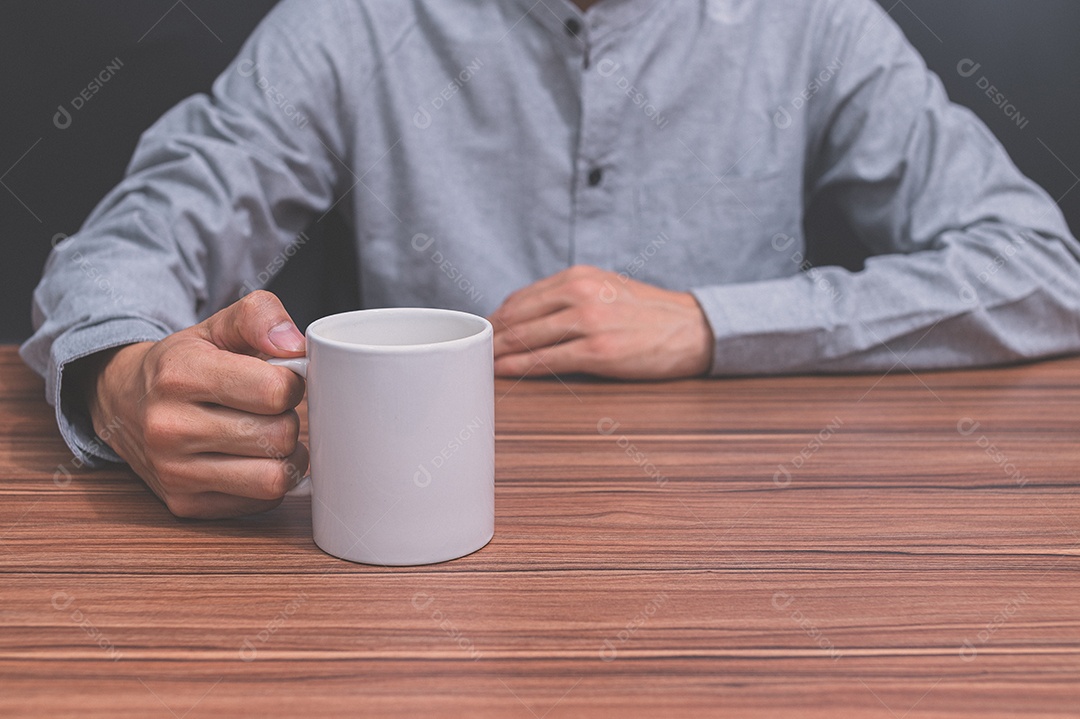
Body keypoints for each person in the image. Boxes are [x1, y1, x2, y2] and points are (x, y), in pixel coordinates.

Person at [22, 0, 1080, 518]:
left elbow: (1041, 268)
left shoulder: (812, 19)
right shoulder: (355, 18)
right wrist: (117, 379)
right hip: (406, 555)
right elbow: (139, 236)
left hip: (737, 555)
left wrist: (714, 321)